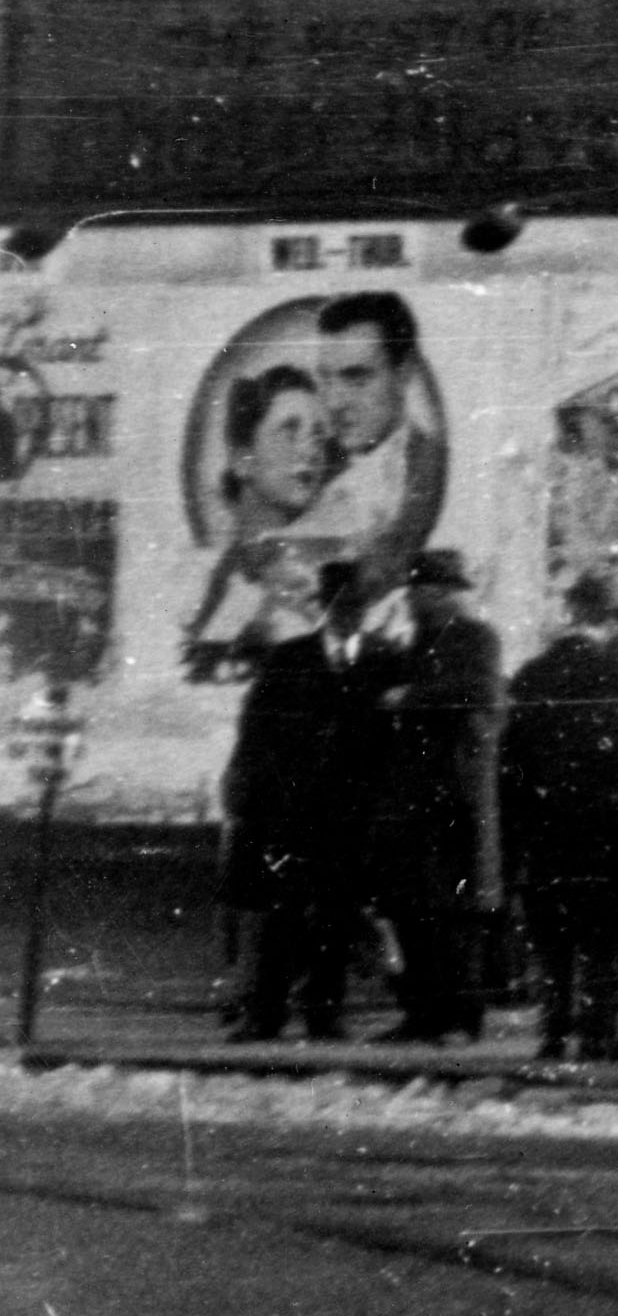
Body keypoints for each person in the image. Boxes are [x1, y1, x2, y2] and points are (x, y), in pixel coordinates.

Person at [502, 574, 618, 1062]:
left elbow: (514, 754)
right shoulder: (615, 669)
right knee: (605, 934)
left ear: (570, 612)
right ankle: (599, 1033)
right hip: (610, 823)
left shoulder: (533, 673)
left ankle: (552, 1033)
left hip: (548, 819)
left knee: (553, 934)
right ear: (607, 616)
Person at [220, 557, 383, 1041]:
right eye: (339, 605)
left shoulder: (384, 658)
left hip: (351, 811)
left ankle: (325, 1014)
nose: (349, 614)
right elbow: (254, 732)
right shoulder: (288, 658)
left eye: (357, 606)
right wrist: (249, 792)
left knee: (337, 913)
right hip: (290, 811)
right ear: (323, 608)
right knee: (280, 914)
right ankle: (266, 1014)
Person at [365, 549, 505, 1044]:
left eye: (419, 591)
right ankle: (421, 1015)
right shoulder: (420, 642)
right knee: (413, 911)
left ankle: (461, 1019)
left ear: (444, 593)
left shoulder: (475, 637)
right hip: (417, 800)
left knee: (457, 916)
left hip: (458, 798)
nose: (410, 599)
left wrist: (412, 697)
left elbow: (482, 692)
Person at [182, 364, 338, 676]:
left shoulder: (324, 579)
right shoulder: (194, 579)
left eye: (318, 436)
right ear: (242, 460)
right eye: (289, 431)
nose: (310, 451)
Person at [296, 291, 440, 566]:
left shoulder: (430, 465)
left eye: (356, 378)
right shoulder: (309, 468)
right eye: (326, 379)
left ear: (403, 374)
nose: (334, 402)